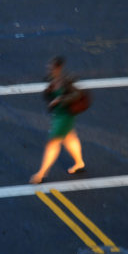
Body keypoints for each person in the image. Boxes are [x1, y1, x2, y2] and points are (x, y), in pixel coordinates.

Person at [30, 56, 85, 184]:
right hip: (58, 114)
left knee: (53, 143)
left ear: (58, 68)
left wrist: (60, 99)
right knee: (70, 138)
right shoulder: (52, 78)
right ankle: (79, 162)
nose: (48, 70)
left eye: (51, 68)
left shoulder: (68, 79)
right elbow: (49, 93)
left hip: (65, 115)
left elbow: (78, 94)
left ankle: (41, 173)